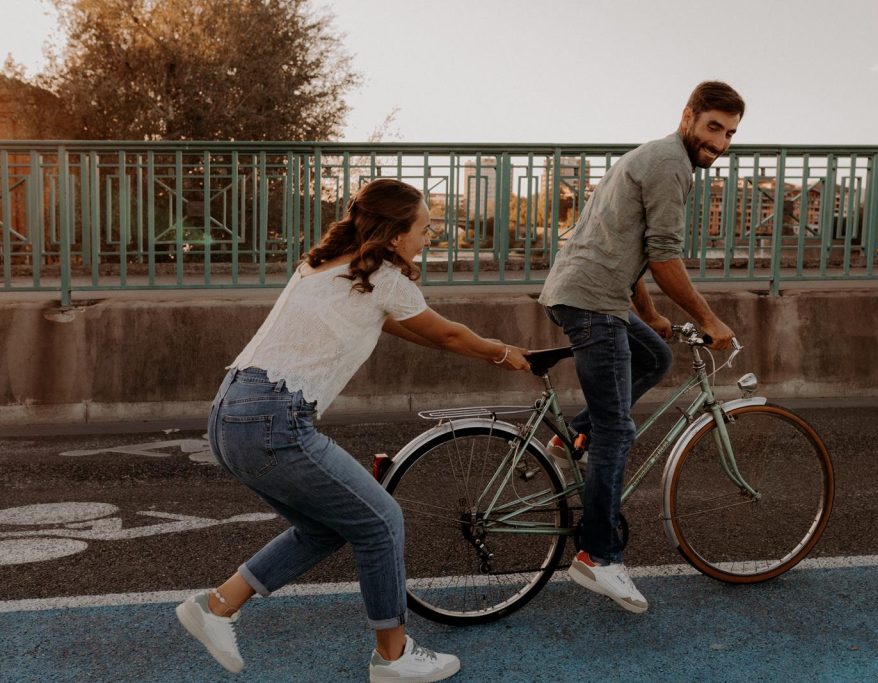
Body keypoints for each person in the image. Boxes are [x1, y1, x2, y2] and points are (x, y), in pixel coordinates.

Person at [175, 178, 530, 681]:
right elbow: (445, 330)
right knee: (382, 520)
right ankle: (393, 656)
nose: (430, 238)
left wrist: (489, 344)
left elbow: (415, 329)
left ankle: (217, 605)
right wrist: (501, 352)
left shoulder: (323, 266)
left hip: (230, 416)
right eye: (425, 229)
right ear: (392, 235)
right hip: (276, 420)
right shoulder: (383, 277)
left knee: (327, 528)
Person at [537, 80, 744, 613]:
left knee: (655, 355)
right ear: (688, 116)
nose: (719, 143)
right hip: (593, 300)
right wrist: (709, 318)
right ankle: (598, 557)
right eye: (713, 127)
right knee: (618, 430)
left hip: (588, 289)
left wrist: (650, 313)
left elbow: (624, 242)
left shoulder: (655, 157)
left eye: (730, 134)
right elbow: (664, 256)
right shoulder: (670, 165)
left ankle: (568, 439)